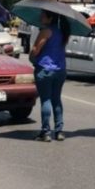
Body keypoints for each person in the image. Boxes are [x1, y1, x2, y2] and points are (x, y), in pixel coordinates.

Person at [29, 10, 69, 142]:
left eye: (43, 15)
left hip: (45, 69)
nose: (40, 17)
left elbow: (36, 49)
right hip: (60, 69)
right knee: (56, 99)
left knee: (45, 100)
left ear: (49, 17)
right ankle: (59, 131)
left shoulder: (46, 31)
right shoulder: (63, 32)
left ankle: (46, 132)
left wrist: (32, 56)